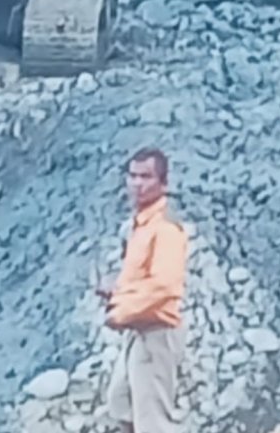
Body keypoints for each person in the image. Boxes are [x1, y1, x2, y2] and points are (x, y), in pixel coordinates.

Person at [97, 147, 188, 433]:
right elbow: (143, 279)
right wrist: (117, 291)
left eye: (146, 176)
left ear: (164, 183)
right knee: (121, 402)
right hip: (138, 333)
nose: (137, 183)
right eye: (133, 176)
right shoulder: (141, 226)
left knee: (153, 422)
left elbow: (164, 286)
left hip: (156, 331)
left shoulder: (165, 228)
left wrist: (121, 311)